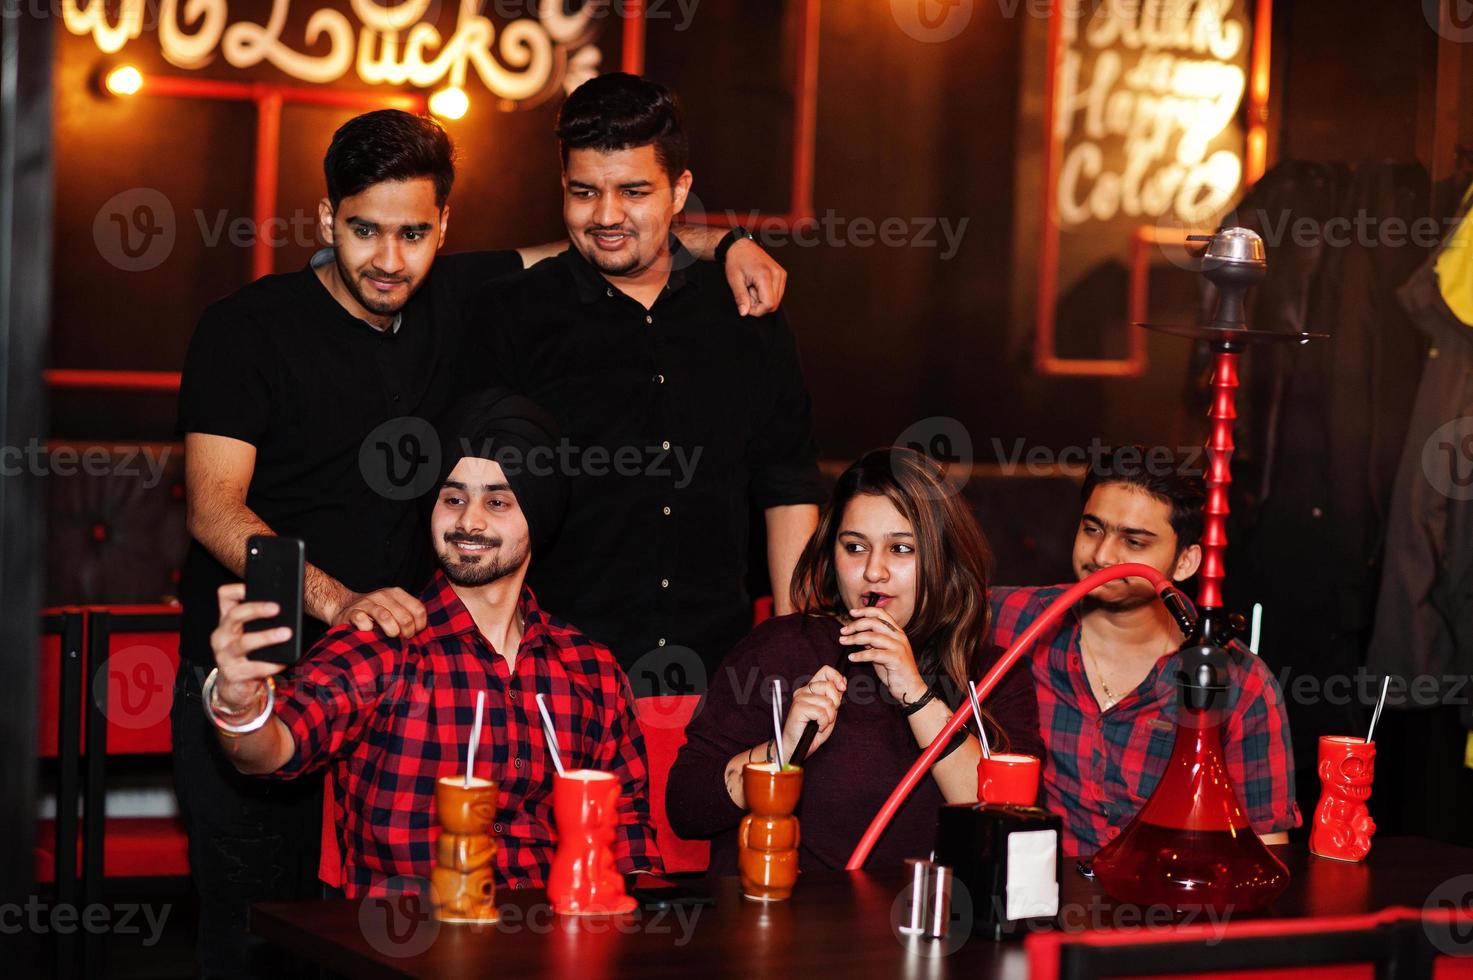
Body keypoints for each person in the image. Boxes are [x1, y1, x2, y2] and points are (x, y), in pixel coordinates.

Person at [174, 108, 778, 977]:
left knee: (371, 930)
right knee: (253, 937)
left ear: (444, 226)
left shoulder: (454, 296)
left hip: (410, 676)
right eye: (365, 231)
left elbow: (607, 236)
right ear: (324, 218)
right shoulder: (249, 329)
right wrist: (344, 607)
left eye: (414, 233)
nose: (390, 259)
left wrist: (723, 247)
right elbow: (214, 511)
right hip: (271, 665)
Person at [202, 389, 662, 897]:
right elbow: (271, 751)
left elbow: (630, 844)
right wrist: (239, 702)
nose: (469, 522)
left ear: (540, 514)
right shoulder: (382, 641)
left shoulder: (590, 670)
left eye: (498, 501)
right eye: (453, 498)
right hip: (407, 949)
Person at [469, 73, 825, 678]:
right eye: (584, 192)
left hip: (719, 669)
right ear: (562, 185)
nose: (607, 216)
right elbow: (476, 502)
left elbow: (787, 485)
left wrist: (791, 647)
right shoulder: (513, 314)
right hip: (558, 673)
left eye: (633, 192)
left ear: (679, 190)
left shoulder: (745, 309)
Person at [666, 448, 1044, 871]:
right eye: (855, 547)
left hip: (936, 922)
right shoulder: (782, 649)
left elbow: (1016, 830)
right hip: (792, 924)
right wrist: (781, 750)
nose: (873, 572)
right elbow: (687, 808)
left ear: (945, 558)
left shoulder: (992, 674)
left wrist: (917, 697)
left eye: (901, 549)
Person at [989, 447, 1301, 859]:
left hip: (1167, 913)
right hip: (1036, 907)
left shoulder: (1240, 684)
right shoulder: (1009, 620)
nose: (1102, 556)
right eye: (1092, 530)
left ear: (1186, 561)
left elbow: (1269, 856)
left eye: (1133, 541)